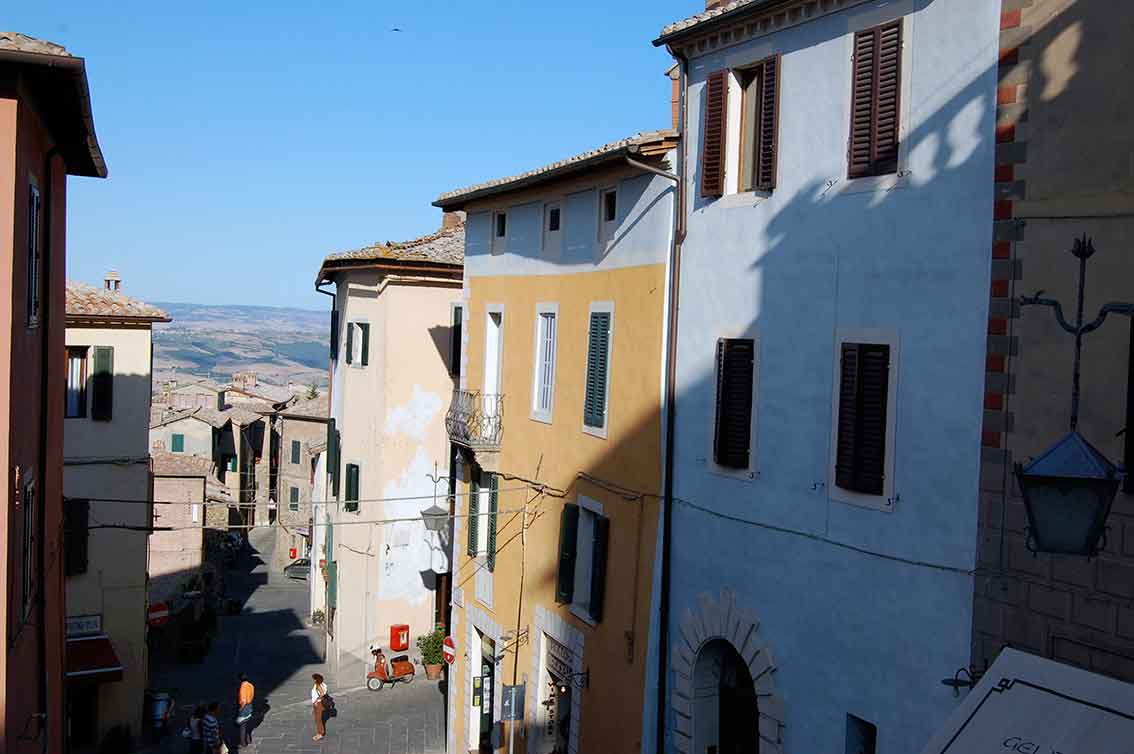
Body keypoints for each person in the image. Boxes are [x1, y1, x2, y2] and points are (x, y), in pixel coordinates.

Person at [236, 673, 255, 746]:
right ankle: (248, 739)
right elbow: (252, 696)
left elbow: (243, 701)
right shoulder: (251, 685)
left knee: (242, 726)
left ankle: (243, 743)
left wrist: (240, 709)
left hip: (244, 707)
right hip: (250, 706)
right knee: (247, 723)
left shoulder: (242, 687)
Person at [310, 673, 328, 741]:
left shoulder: (318, 685)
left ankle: (320, 734)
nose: (313, 680)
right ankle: (320, 732)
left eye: (314, 679)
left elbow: (322, 693)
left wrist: (316, 701)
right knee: (318, 719)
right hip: (319, 703)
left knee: (318, 719)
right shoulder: (323, 684)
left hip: (318, 704)